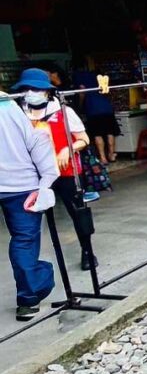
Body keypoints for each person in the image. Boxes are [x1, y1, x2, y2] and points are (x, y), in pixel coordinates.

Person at [14, 69, 97, 271]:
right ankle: (33, 264)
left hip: (66, 171)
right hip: (35, 175)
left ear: (46, 91)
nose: (31, 92)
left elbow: (84, 139)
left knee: (77, 212)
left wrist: (67, 149)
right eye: (27, 89)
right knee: (30, 220)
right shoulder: (18, 114)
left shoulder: (63, 111)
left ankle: (87, 251)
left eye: (36, 88)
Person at [0, 92, 59, 320]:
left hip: (18, 187)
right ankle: (27, 300)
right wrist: (44, 184)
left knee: (23, 241)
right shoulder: (13, 107)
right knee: (24, 241)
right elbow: (38, 142)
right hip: (21, 186)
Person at [76, 70, 120, 164]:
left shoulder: (79, 75)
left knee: (97, 134)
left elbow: (82, 90)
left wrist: (80, 105)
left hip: (92, 109)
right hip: (106, 107)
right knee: (110, 132)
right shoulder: (99, 75)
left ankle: (103, 158)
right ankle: (111, 155)